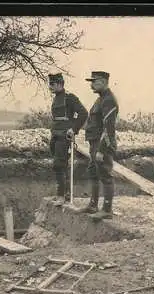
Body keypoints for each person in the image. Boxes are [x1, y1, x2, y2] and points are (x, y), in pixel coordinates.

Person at [79, 71, 119, 220]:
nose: (91, 85)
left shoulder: (108, 100)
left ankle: (107, 209)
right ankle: (93, 205)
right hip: (94, 142)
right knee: (93, 172)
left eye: (94, 82)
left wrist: (102, 150)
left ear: (103, 81)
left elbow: (109, 128)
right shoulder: (101, 99)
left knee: (105, 174)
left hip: (102, 144)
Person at [48, 73, 89, 204]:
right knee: (59, 165)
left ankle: (61, 196)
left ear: (60, 84)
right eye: (50, 84)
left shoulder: (69, 98)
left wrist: (74, 128)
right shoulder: (55, 99)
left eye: (52, 84)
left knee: (59, 165)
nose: (50, 87)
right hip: (55, 135)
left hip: (64, 136)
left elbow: (83, 113)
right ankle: (64, 193)